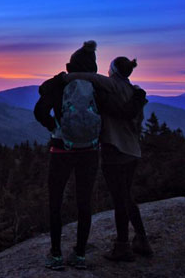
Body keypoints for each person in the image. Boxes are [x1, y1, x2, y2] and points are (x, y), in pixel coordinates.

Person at [64, 56, 153, 261]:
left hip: (114, 149)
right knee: (126, 196)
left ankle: (122, 246)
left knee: (119, 199)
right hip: (132, 151)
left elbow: (87, 76)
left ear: (113, 69)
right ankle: (142, 239)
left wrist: (63, 78)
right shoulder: (135, 92)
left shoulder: (112, 84)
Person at [34, 40, 101, 271]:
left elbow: (39, 110)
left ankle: (55, 254)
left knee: (55, 200)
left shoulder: (60, 86)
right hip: (90, 150)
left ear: (70, 66)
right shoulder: (98, 86)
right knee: (84, 201)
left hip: (61, 149)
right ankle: (80, 254)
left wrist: (54, 127)